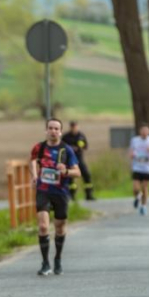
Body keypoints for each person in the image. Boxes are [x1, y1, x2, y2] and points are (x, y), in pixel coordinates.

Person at [30, 118, 81, 276]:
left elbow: (77, 172)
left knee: (60, 226)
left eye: (56, 129)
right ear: (46, 130)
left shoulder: (66, 150)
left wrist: (65, 171)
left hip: (60, 192)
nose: (53, 131)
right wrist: (34, 175)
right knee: (44, 226)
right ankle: (45, 263)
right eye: (50, 128)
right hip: (43, 190)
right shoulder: (39, 147)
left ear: (60, 131)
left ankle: (57, 258)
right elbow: (32, 161)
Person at [129, 124, 149, 216]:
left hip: (148, 168)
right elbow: (130, 152)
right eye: (143, 130)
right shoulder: (135, 140)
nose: (145, 132)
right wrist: (132, 155)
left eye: (146, 130)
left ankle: (143, 206)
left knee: (145, 187)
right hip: (137, 167)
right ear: (140, 131)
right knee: (135, 188)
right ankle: (138, 196)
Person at [62, 121, 95, 201]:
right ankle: (72, 196)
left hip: (79, 159)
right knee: (70, 179)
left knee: (87, 175)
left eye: (75, 126)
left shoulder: (81, 136)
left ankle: (89, 194)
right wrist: (71, 148)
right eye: (72, 127)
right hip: (69, 160)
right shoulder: (66, 137)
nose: (74, 128)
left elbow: (85, 146)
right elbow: (62, 147)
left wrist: (80, 147)